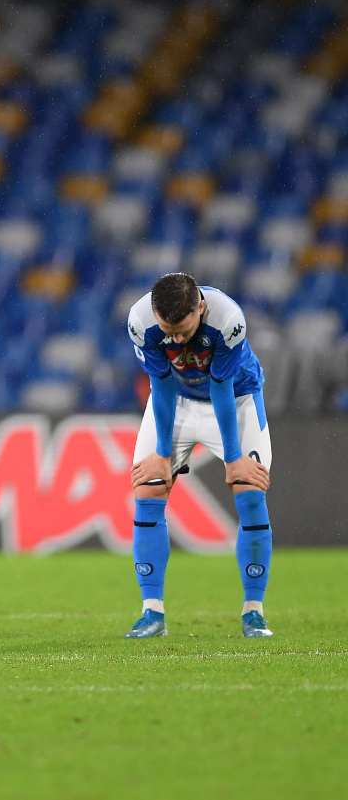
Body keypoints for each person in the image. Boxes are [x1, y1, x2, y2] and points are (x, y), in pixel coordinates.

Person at [126, 272, 274, 638]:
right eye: (168, 329)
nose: (174, 338)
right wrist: (163, 454)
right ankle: (152, 613)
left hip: (236, 399)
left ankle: (253, 612)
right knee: (149, 486)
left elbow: (221, 386)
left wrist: (235, 457)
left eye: (182, 328)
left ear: (200, 307)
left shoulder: (228, 319)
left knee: (248, 489)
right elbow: (159, 385)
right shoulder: (141, 321)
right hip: (176, 401)